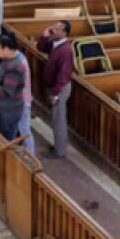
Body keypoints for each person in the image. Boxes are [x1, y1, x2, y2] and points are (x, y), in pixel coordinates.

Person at [36, 21, 74, 158]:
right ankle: (59, 146)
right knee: (56, 118)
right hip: (55, 87)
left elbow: (63, 76)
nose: (54, 30)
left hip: (60, 89)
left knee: (59, 120)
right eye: (54, 27)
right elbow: (40, 47)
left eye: (57, 29)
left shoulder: (65, 50)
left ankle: (59, 151)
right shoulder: (55, 44)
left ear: (64, 33)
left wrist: (54, 93)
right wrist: (44, 36)